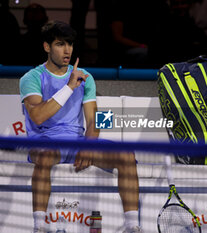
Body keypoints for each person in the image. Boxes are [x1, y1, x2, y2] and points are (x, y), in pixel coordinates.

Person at [19, 20, 142, 233]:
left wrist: (89, 145)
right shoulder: (31, 78)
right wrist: (69, 87)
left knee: (126, 156)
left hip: (77, 141)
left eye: (70, 44)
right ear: (47, 47)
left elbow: (94, 121)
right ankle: (39, 226)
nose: (67, 50)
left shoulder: (86, 77)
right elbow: (38, 116)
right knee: (45, 154)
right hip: (45, 141)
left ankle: (132, 226)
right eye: (60, 44)